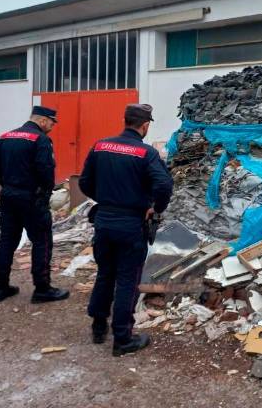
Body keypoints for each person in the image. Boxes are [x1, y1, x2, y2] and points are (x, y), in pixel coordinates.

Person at [79, 103, 173, 356]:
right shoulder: (146, 153)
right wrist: (155, 208)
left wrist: (106, 199)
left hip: (104, 221)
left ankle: (99, 327)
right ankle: (122, 338)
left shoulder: (100, 146)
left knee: (105, 274)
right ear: (144, 126)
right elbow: (164, 184)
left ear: (125, 121)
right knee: (128, 281)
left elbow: (85, 181)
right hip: (130, 224)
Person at [0, 106, 70, 304]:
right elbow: (46, 172)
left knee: (7, 241)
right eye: (52, 122)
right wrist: (44, 194)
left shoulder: (6, 137)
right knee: (42, 241)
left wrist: (10, 187)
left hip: (8, 197)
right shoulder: (41, 139)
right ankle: (42, 288)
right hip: (32, 199)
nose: (52, 127)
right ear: (43, 120)